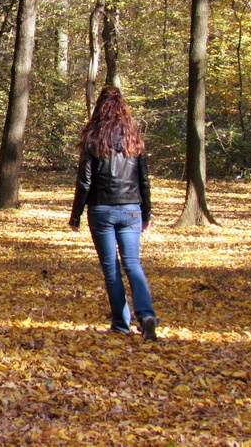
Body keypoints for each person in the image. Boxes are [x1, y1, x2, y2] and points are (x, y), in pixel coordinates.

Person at [68, 86, 158, 341]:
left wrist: (75, 217)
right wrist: (147, 213)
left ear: (99, 107)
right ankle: (146, 314)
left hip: (101, 209)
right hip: (131, 208)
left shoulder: (93, 137)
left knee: (111, 269)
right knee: (133, 264)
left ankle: (121, 323)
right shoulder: (133, 137)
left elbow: (84, 182)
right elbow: (144, 180)